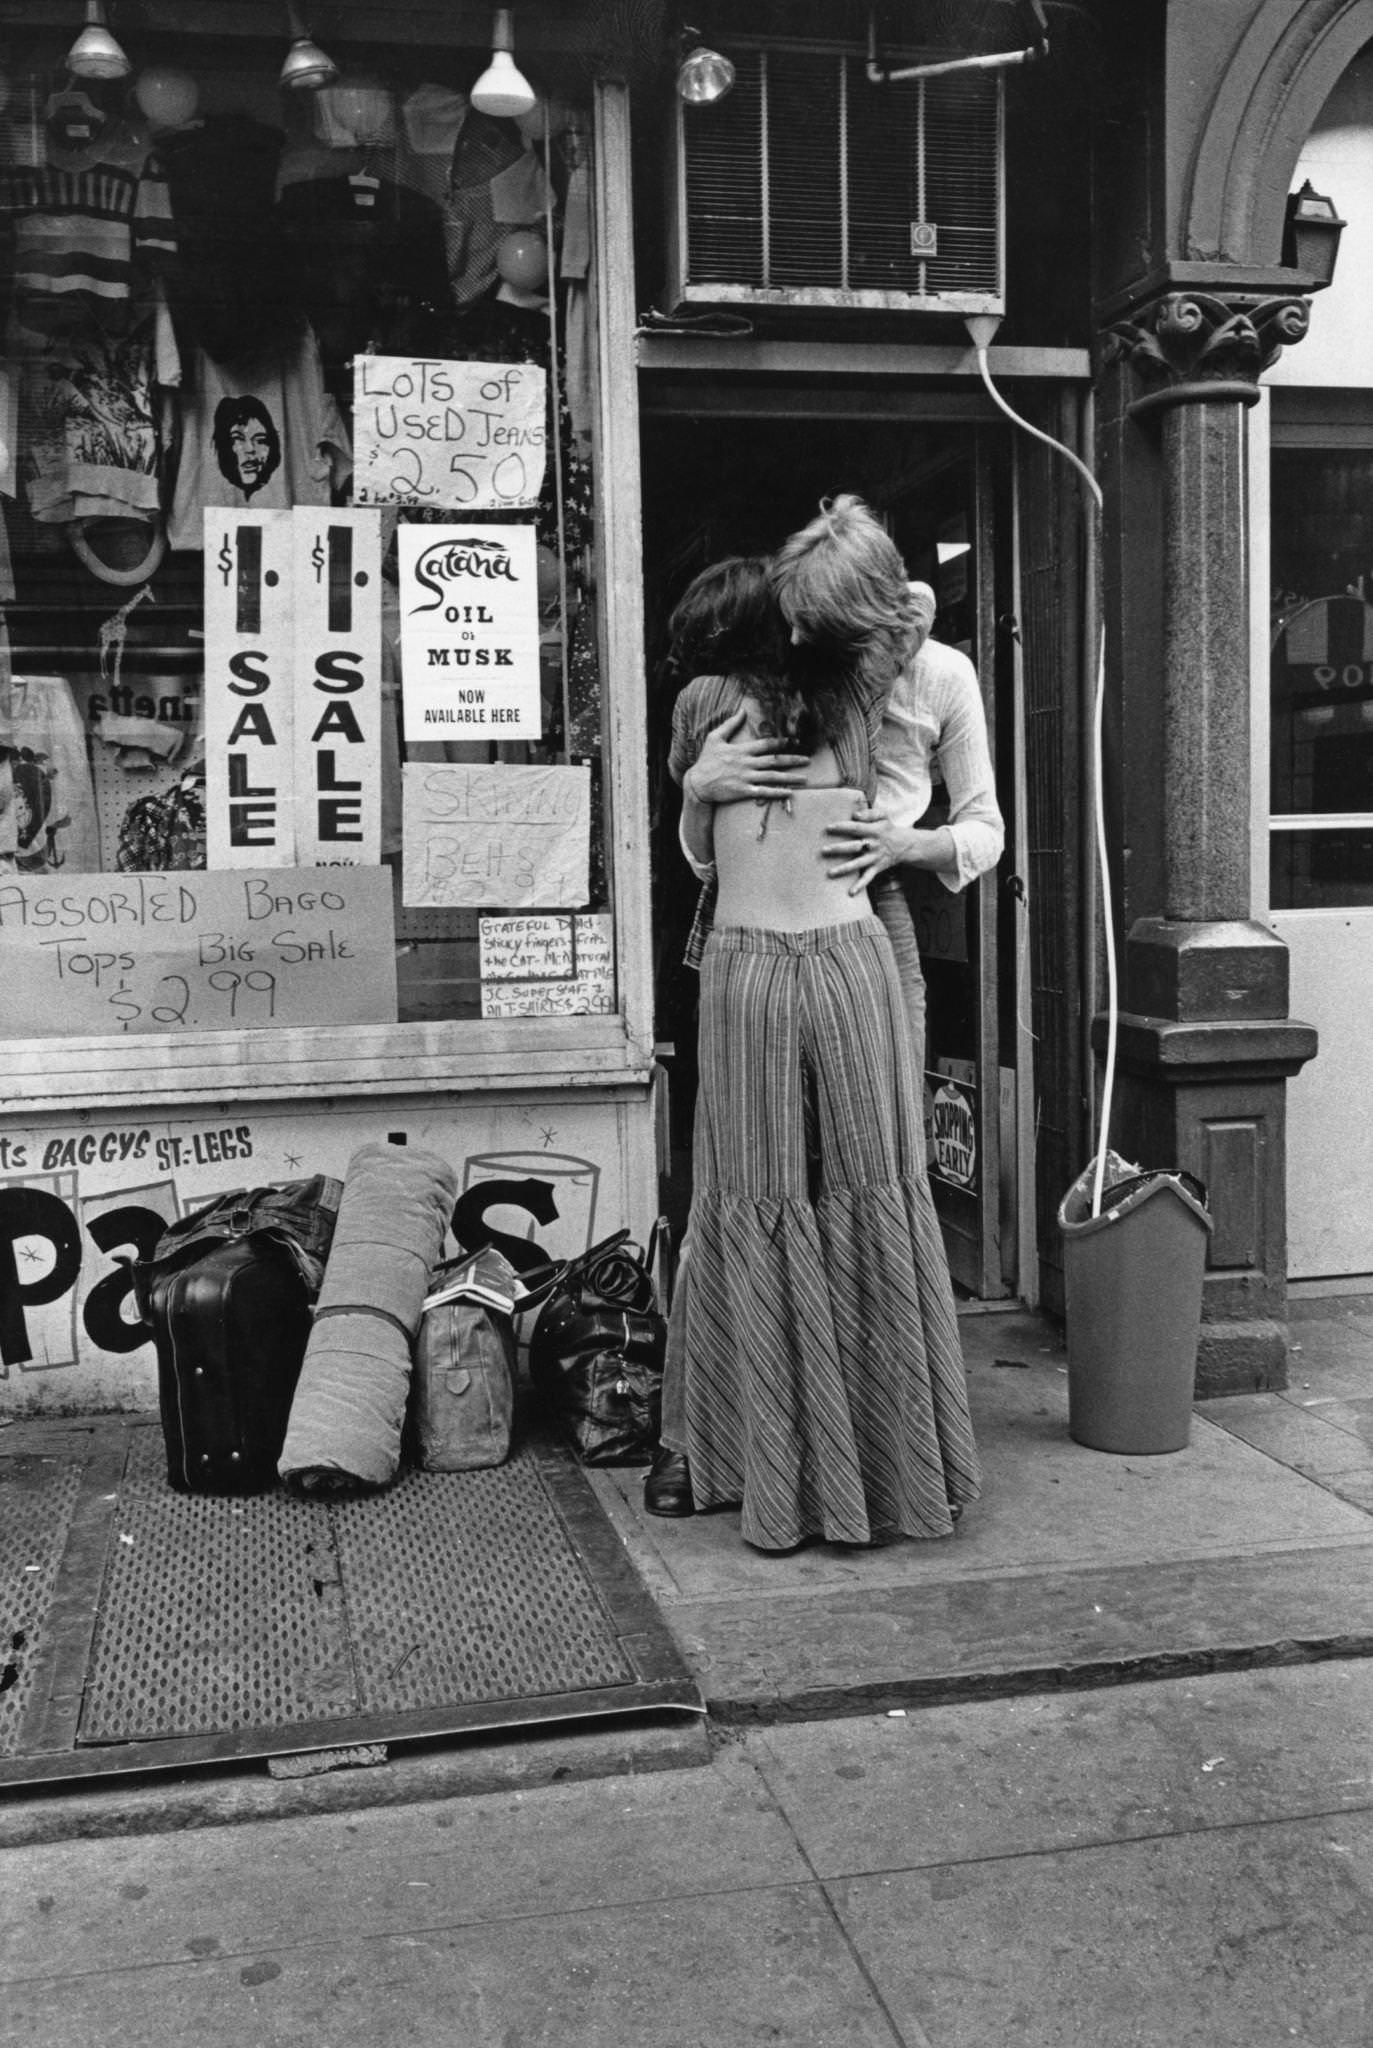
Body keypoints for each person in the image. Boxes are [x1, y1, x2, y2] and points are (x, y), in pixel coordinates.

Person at [649, 543, 980, 1551]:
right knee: (865, 1190)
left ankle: (735, 1455)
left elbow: (698, 843)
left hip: (757, 972)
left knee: (748, 1196)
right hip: (841, 962)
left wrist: (693, 779)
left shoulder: (706, 705)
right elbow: (911, 604)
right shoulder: (848, 691)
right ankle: (888, 1468)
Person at [680, 556, 1003, 1084]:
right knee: (768, 1103)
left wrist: (901, 845)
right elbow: (700, 860)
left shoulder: (941, 674)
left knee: (887, 1090)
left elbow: (987, 833)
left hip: (869, 888)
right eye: (796, 625)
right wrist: (698, 787)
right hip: (759, 902)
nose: (800, 640)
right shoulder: (767, 683)